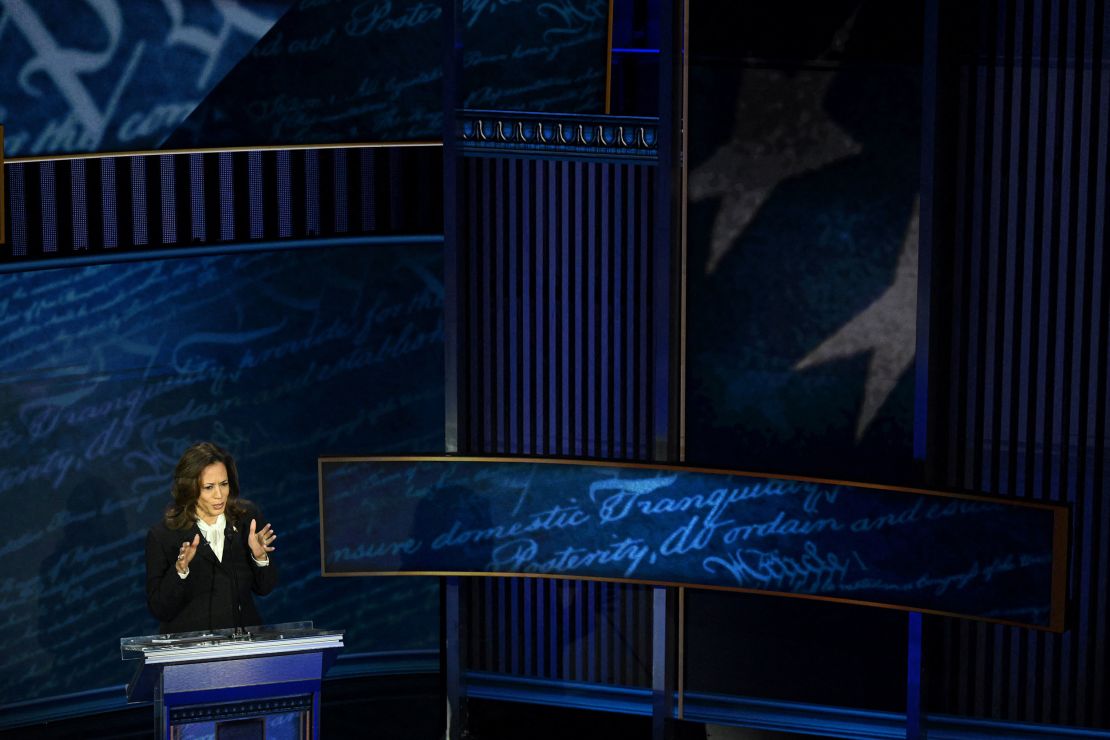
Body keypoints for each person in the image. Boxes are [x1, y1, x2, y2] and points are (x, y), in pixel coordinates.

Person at [145, 442, 278, 634]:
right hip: (190, 651)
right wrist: (179, 571)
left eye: (224, 484)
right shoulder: (164, 535)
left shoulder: (246, 519)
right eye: (209, 487)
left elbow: (265, 588)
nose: (219, 495)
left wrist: (260, 558)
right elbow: (159, 609)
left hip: (244, 646)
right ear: (190, 489)